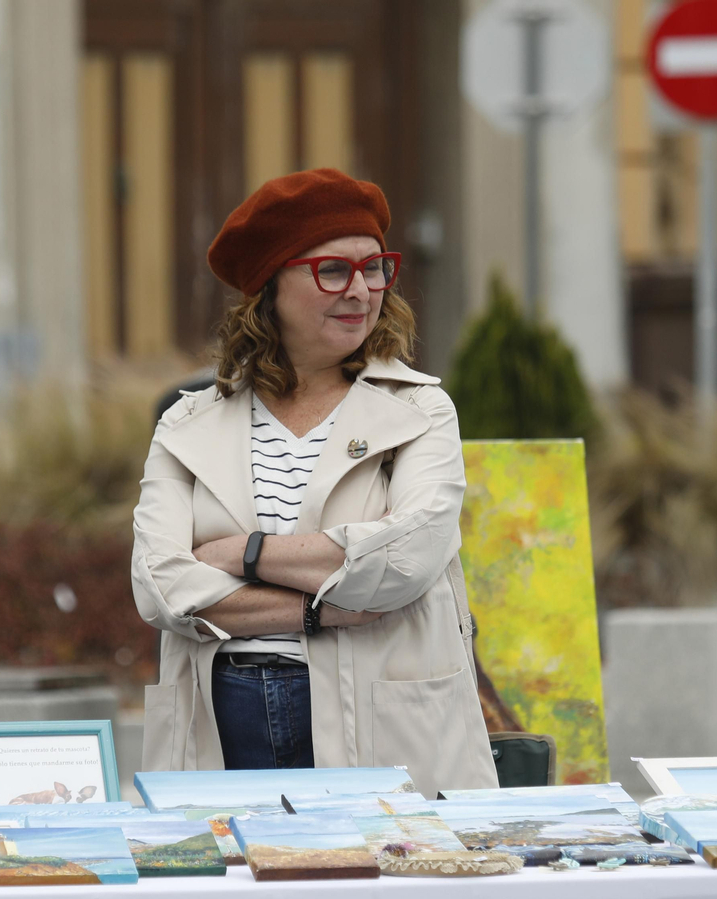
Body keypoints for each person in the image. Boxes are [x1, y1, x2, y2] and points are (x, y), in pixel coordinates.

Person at [130, 168, 497, 793]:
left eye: (375, 267)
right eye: (333, 270)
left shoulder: (421, 411)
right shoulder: (187, 423)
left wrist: (245, 553)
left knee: (379, 881)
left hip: (380, 725)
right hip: (222, 723)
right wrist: (317, 610)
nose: (360, 290)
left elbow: (407, 560)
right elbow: (159, 585)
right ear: (269, 285)